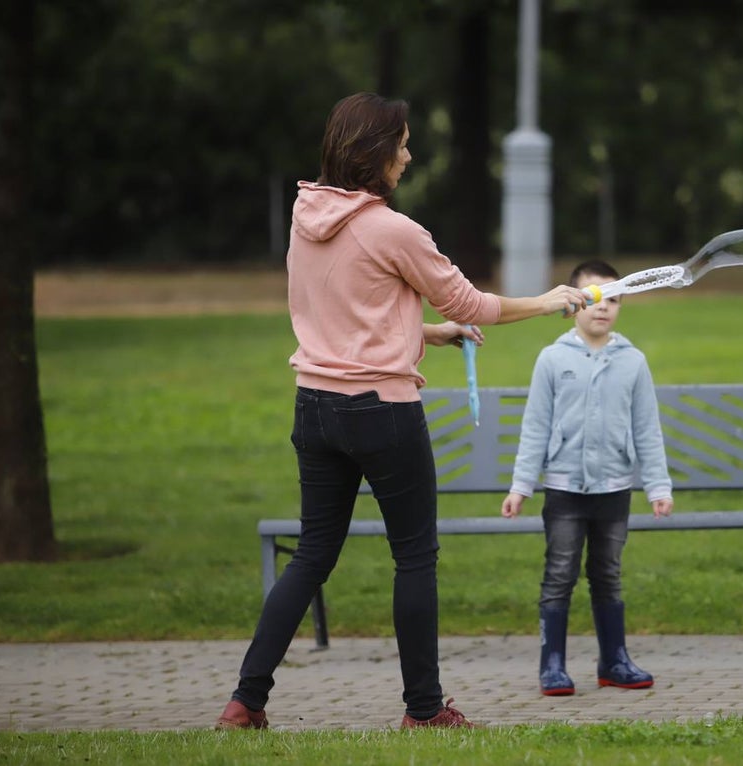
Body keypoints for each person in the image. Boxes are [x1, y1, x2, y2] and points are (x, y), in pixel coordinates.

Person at [215, 93, 587, 731]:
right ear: (375, 152)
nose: (409, 157)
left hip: (315, 408)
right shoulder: (393, 228)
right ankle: (424, 711)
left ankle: (245, 702)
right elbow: (472, 303)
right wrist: (550, 300)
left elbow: (346, 310)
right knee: (415, 556)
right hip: (381, 413)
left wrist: (427, 334)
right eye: (403, 145)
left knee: (310, 556)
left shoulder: (307, 219)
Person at [501, 260, 674, 697]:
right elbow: (536, 426)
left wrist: (658, 486)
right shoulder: (553, 359)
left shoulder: (633, 362)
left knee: (608, 575)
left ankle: (614, 661)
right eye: (595, 298)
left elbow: (646, 429)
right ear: (573, 304)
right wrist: (521, 485)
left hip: (614, 489)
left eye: (614, 299)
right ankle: (552, 665)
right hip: (563, 490)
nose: (604, 308)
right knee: (559, 574)